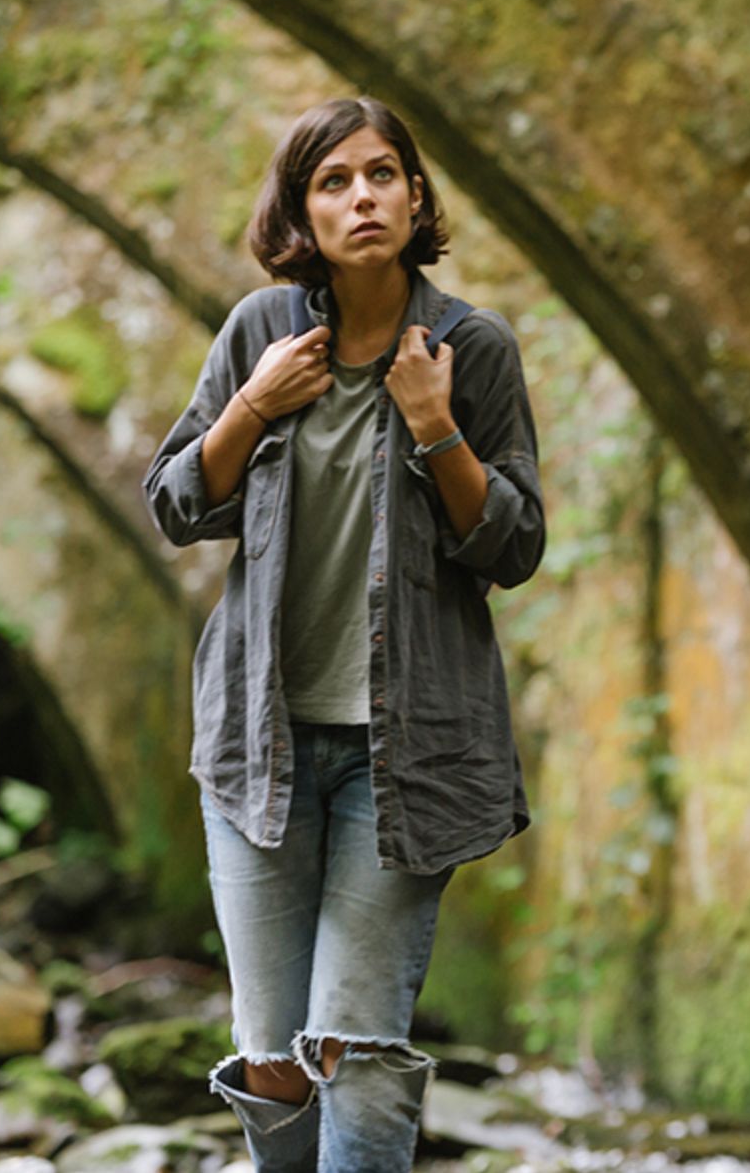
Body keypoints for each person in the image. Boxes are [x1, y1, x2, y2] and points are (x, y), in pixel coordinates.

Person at [141, 96, 546, 1172]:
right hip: (257, 741)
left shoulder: (471, 349)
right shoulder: (258, 336)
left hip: (405, 753)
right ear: (301, 210)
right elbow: (178, 504)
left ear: (416, 198)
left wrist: (434, 424)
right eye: (333, 181)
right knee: (273, 1058)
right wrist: (252, 409)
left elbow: (513, 547)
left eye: (381, 176)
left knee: (355, 1049)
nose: (360, 197)